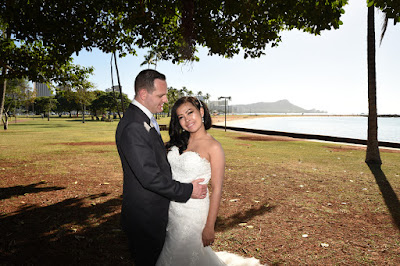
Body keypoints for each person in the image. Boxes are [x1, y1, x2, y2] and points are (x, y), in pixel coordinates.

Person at [156, 97, 264, 266]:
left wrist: (209, 227)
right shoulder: (179, 142)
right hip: (172, 210)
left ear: (201, 111)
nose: (186, 119)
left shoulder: (214, 147)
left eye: (190, 112)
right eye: (181, 117)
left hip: (194, 213)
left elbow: (217, 188)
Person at [115, 70, 208, 266]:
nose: (166, 99)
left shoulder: (142, 119)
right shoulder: (134, 126)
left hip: (154, 213)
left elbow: (150, 157)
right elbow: (150, 177)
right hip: (145, 218)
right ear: (143, 94)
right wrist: (188, 190)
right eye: (160, 95)